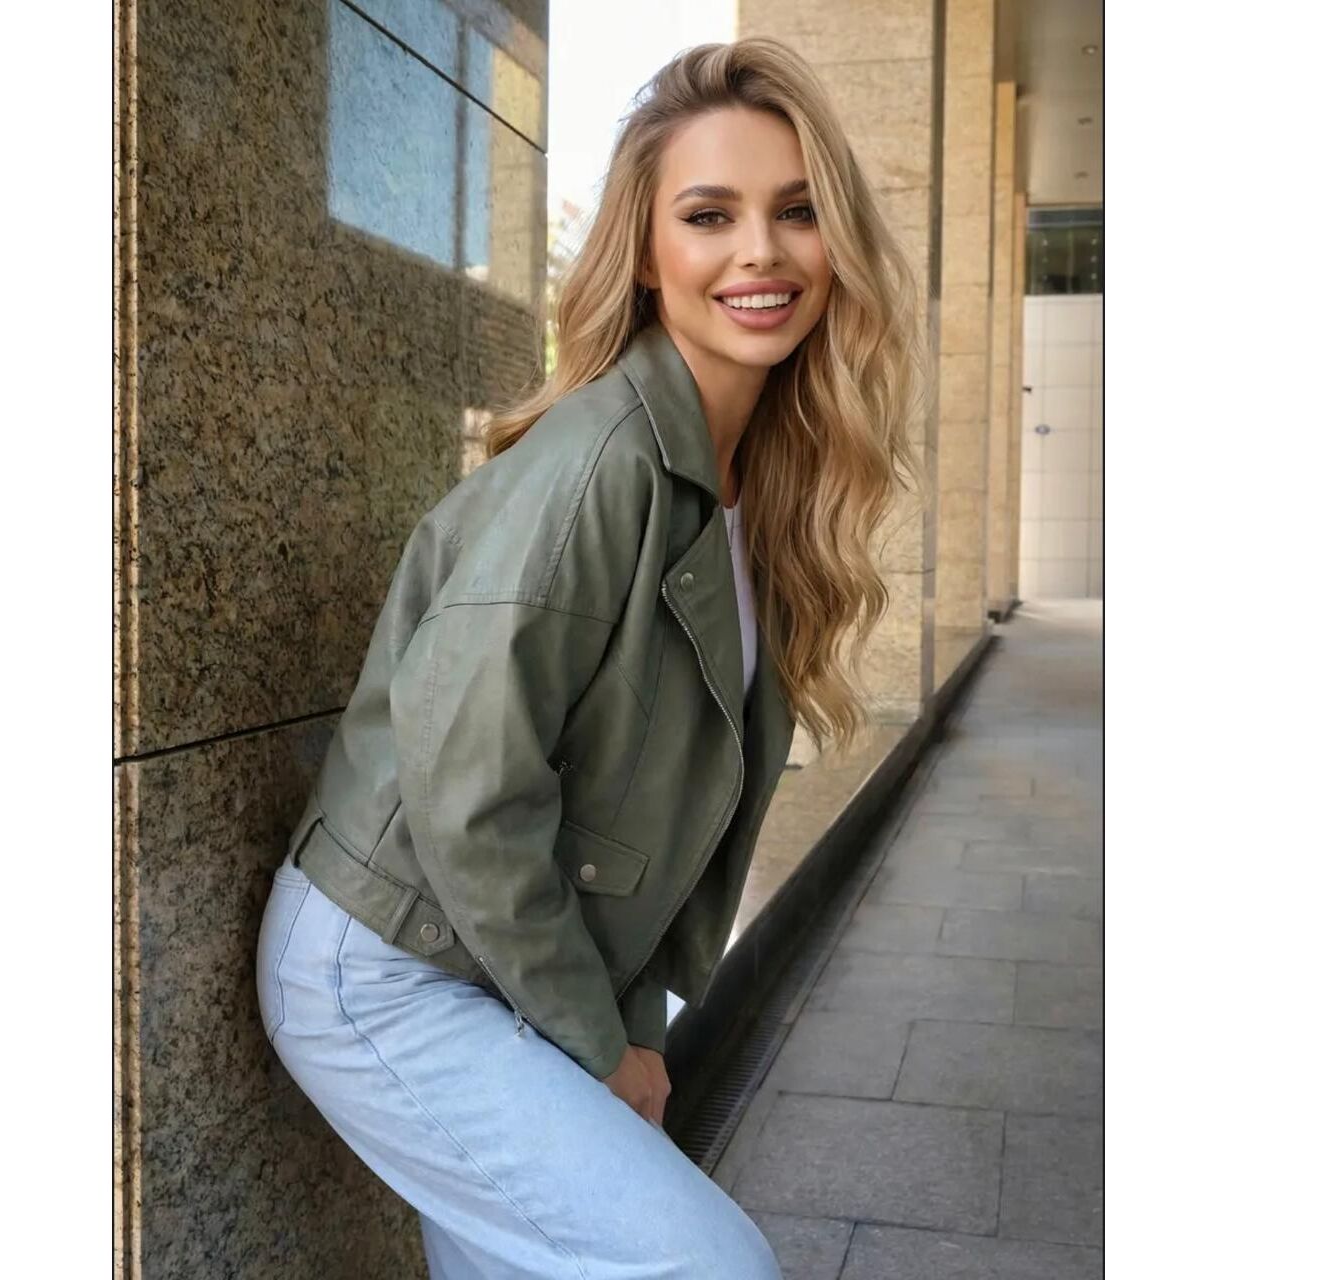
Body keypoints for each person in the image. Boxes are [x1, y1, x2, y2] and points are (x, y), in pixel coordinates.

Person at [255, 36, 926, 1279]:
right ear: (647, 252)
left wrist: (629, 1019)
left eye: (795, 212)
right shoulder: (601, 465)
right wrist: (601, 1043)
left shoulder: (749, 482)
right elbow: (470, 788)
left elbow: (652, 814)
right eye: (708, 215)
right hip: (392, 964)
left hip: (498, 953)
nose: (760, 252)